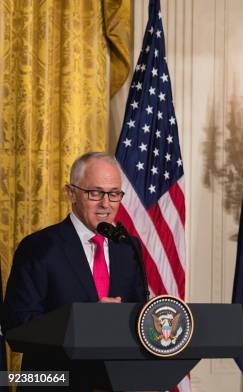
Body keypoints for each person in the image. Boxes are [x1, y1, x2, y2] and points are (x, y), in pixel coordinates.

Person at [2, 152, 146, 389]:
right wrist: (87, 322)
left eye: (114, 194)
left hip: (117, 383)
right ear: (71, 193)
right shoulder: (38, 247)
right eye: (95, 193)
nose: (106, 204)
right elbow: (17, 327)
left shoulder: (128, 247)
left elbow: (136, 315)